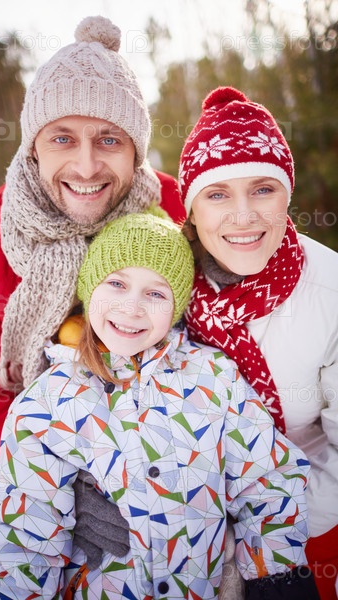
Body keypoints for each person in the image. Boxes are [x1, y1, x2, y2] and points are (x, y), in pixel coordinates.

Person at [0, 16, 185, 600]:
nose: (87, 166)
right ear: (32, 145)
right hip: (21, 440)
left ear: (136, 147)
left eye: (109, 139)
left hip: (162, 440)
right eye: (62, 138)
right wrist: (55, 473)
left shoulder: (177, 214)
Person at [0, 211, 318, 600]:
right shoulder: (47, 402)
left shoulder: (213, 377)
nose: (132, 308)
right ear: (90, 287)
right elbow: (27, 538)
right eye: (116, 283)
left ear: (177, 307)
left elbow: (268, 483)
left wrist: (276, 579)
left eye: (156, 293)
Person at [179, 85, 338, 599]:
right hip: (179, 529)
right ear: (191, 210)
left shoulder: (330, 292)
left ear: (287, 196)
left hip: (305, 520)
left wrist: (273, 531)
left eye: (263, 189)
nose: (244, 215)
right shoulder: (162, 288)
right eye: (217, 194)